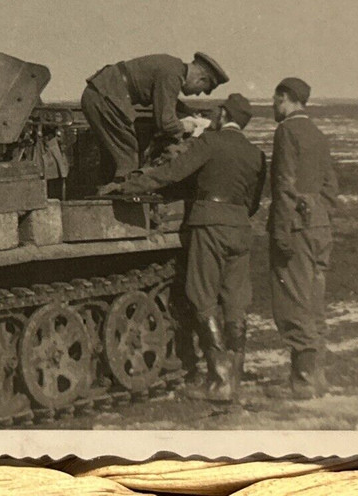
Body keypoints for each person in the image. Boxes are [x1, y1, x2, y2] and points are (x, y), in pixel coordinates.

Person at [99, 93, 266, 403]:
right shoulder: (255, 153)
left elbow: (171, 173)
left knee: (202, 296)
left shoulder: (210, 143)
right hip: (240, 227)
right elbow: (253, 202)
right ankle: (235, 379)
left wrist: (127, 185)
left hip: (209, 224)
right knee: (236, 301)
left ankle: (219, 380)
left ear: (222, 114)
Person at [266, 77, 338, 399]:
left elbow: (284, 184)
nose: (272, 105)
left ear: (286, 98)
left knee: (293, 302)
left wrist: (282, 231)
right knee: (314, 303)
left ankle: (303, 381)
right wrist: (320, 215)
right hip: (320, 226)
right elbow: (330, 187)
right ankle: (317, 377)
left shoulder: (287, 132)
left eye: (275, 99)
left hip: (296, 226)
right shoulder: (318, 135)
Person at [81, 52, 229, 182]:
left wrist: (187, 111)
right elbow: (166, 123)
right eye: (201, 91)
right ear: (200, 80)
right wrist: (187, 126)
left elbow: (165, 97)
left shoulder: (172, 67)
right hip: (106, 98)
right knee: (128, 154)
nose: (197, 94)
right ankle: (126, 198)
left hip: (102, 93)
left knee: (115, 155)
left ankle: (108, 194)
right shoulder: (172, 75)